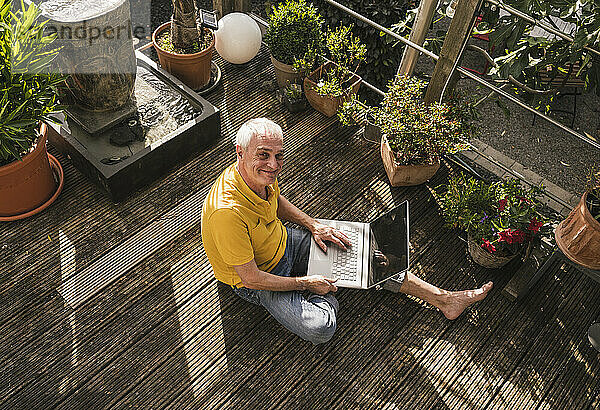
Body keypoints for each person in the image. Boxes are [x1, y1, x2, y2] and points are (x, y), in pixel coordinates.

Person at [201, 118, 493, 345]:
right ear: (240, 152)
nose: (273, 165)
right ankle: (335, 282)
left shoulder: (257, 175)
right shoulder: (227, 213)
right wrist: (306, 282)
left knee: (364, 251)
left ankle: (444, 299)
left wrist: (314, 225)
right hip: (259, 278)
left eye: (278, 156)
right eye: (263, 155)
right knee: (320, 329)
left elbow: (276, 201)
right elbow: (250, 277)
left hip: (284, 243)